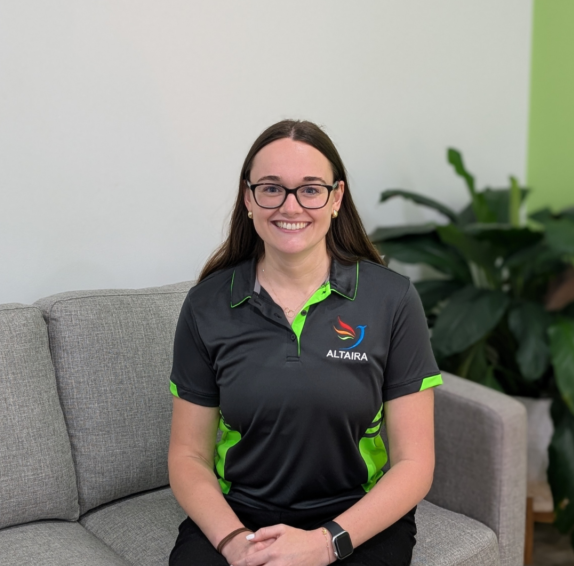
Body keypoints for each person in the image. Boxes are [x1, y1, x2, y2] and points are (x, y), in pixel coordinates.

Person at [167, 119, 443, 566]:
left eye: (311, 189)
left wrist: (324, 543)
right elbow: (188, 455)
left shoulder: (391, 299)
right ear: (248, 198)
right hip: (241, 513)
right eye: (271, 189)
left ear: (336, 198)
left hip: (356, 514)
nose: (290, 205)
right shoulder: (206, 305)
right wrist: (236, 542)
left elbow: (414, 463)